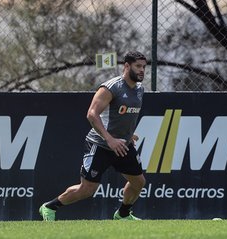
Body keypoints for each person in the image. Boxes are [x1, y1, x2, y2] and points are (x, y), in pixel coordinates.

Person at [39, 51, 147, 221]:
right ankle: (50, 207)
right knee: (87, 189)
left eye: (144, 67)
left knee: (138, 182)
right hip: (100, 145)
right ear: (126, 66)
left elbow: (124, 115)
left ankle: (123, 214)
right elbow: (92, 114)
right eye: (138, 66)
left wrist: (128, 134)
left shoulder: (140, 90)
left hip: (123, 145)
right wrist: (109, 139)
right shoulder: (111, 87)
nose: (142, 70)